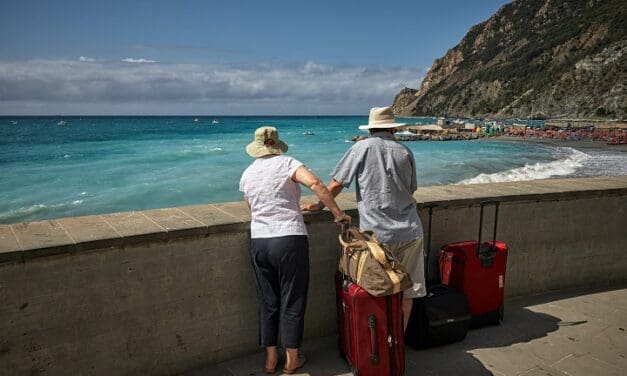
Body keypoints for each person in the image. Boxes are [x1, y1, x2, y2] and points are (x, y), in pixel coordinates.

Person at [303, 106, 427, 332]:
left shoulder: (360, 148)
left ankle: (377, 344)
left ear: (371, 128)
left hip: (376, 236)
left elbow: (337, 183)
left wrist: (320, 204)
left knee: (375, 289)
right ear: (392, 128)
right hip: (410, 230)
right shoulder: (405, 151)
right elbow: (411, 188)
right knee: (408, 291)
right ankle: (397, 343)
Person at [239, 126, 351, 374]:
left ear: (256, 147)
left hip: (260, 240)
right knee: (293, 299)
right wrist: (338, 214)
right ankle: (291, 359)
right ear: (277, 144)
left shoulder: (247, 174)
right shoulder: (288, 163)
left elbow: (253, 207)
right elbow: (316, 183)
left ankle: (270, 360)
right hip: (289, 239)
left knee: (268, 301)